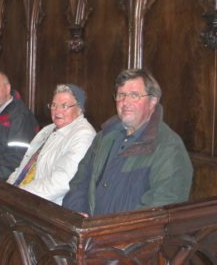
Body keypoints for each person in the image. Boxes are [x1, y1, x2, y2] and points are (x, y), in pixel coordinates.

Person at [62, 69, 193, 217]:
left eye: (134, 95)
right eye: (121, 95)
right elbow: (80, 181)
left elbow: (161, 211)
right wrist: (78, 213)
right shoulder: (104, 137)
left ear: (153, 101)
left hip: (127, 237)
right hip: (88, 233)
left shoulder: (169, 148)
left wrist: (107, 231)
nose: (125, 102)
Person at [7, 84, 95, 205]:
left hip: (48, 206)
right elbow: (25, 165)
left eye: (64, 106)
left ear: (79, 109)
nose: (57, 110)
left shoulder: (84, 135)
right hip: (22, 196)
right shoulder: (48, 129)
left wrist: (18, 194)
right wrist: (8, 187)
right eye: (54, 105)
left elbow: (61, 182)